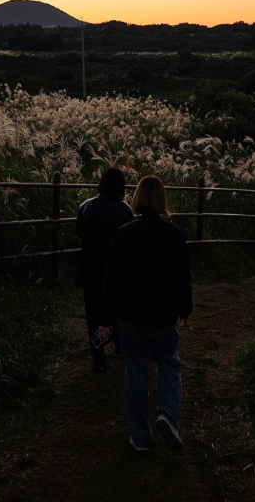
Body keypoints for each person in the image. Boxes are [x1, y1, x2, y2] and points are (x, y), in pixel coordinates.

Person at [99, 175, 193, 453]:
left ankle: (140, 438)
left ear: (137, 199)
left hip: (131, 316)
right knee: (168, 364)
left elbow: (112, 280)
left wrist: (106, 318)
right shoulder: (174, 235)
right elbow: (182, 276)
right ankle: (167, 415)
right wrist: (184, 308)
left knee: (136, 371)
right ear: (162, 200)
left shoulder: (125, 233)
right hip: (163, 315)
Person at [75, 167, 134, 372]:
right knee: (117, 309)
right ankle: (119, 345)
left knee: (93, 312)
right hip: (115, 270)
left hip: (90, 269)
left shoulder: (85, 207)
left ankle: (98, 355)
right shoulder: (124, 210)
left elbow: (79, 232)